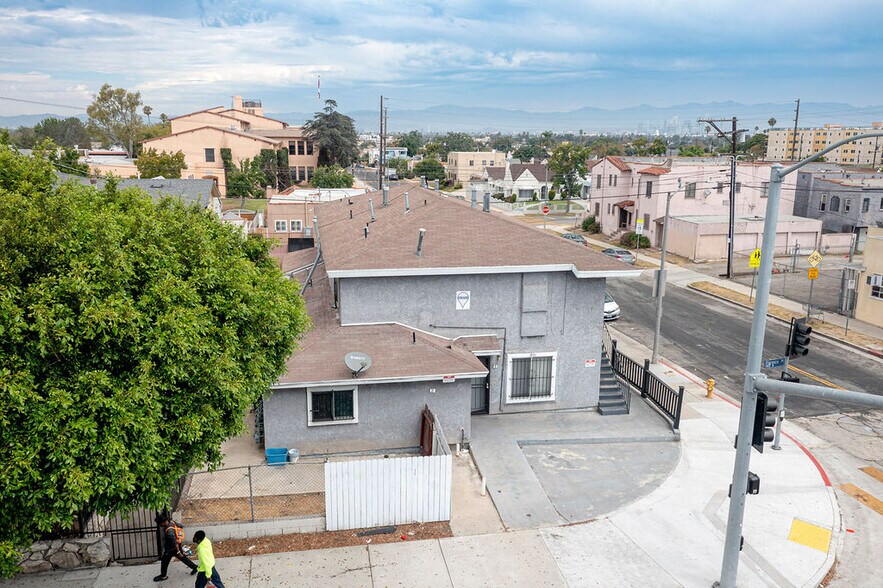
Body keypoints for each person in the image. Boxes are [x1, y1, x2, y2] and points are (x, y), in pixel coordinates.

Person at [153, 514, 198, 582]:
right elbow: (181, 526)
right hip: (177, 546)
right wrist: (179, 538)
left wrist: (178, 552)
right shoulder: (172, 522)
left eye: (159, 523)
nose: (159, 525)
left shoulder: (169, 532)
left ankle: (163, 576)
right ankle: (195, 567)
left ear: (162, 522)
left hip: (171, 548)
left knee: (164, 562)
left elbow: (174, 542)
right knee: (183, 558)